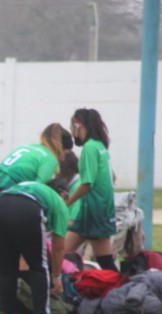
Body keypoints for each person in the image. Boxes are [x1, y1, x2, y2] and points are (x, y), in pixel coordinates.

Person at [0, 179, 70, 314]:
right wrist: (57, 277)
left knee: (6, 265)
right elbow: (58, 247)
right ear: (63, 194)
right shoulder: (59, 202)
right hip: (27, 209)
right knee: (38, 265)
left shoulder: (33, 186)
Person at [63, 108, 119, 272]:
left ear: (78, 125)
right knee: (61, 253)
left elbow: (87, 183)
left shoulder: (89, 148)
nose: (72, 132)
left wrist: (68, 201)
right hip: (93, 211)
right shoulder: (100, 146)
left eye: (72, 127)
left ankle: (125, 290)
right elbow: (113, 178)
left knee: (106, 263)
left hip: (95, 212)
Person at [0, 123, 68, 219]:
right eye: (66, 154)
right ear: (61, 148)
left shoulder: (27, 147)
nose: (64, 159)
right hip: (6, 196)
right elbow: (38, 189)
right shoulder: (50, 158)